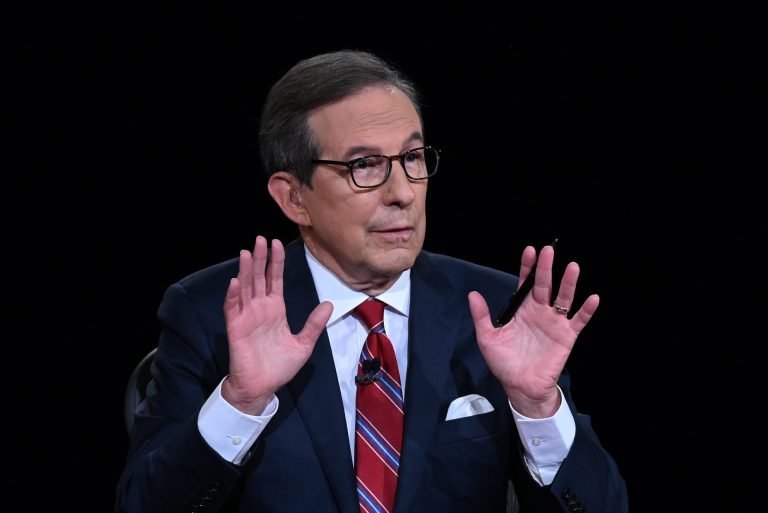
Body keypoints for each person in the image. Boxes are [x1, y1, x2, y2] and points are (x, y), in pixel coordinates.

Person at [115, 49, 627, 513]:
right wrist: (240, 403)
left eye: (411, 158)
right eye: (364, 166)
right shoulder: (210, 314)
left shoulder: (494, 310)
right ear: (294, 198)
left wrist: (538, 408)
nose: (402, 192)